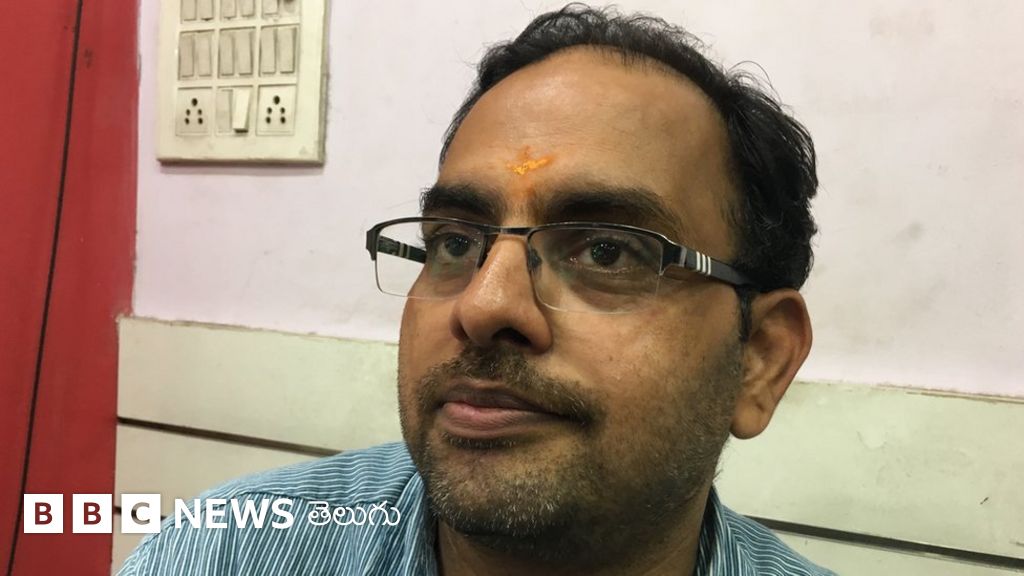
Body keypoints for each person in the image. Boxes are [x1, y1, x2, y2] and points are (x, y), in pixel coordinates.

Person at [120, 4, 830, 575]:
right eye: (456, 243)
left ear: (759, 360)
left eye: (606, 251)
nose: (485, 305)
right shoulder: (225, 553)